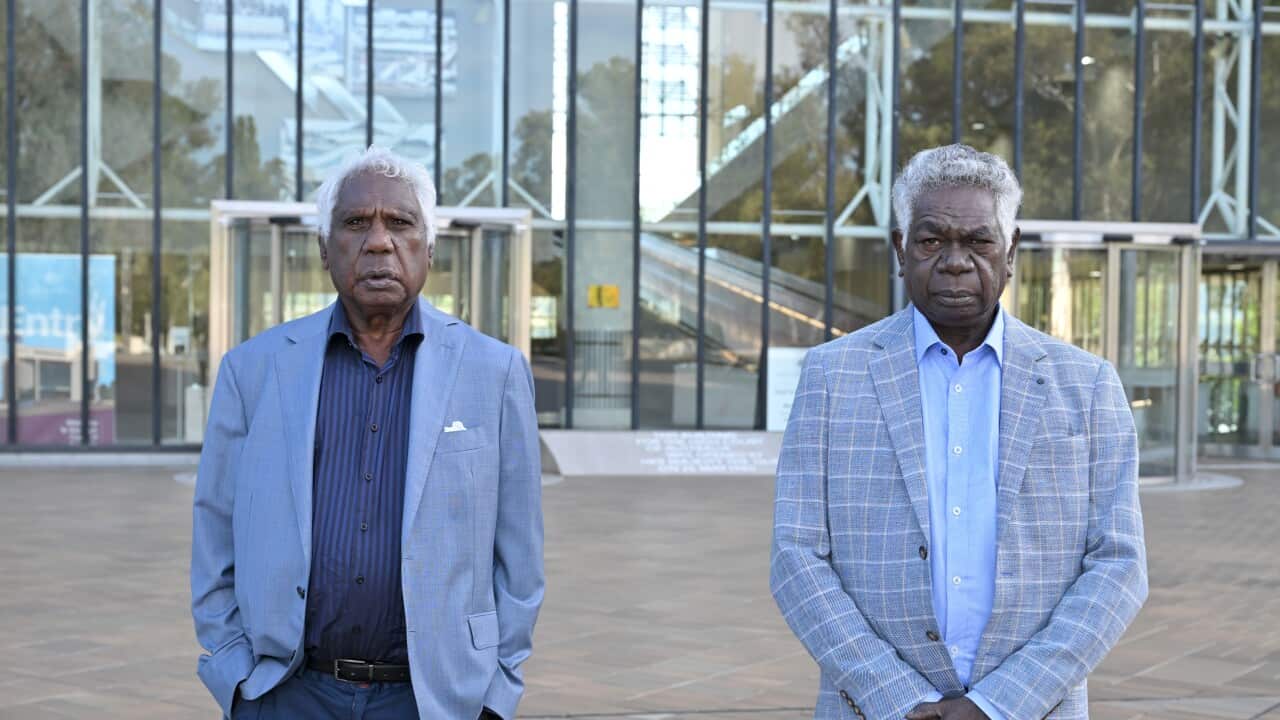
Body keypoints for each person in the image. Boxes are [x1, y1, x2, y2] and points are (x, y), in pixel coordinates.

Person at [770, 144, 1147, 720]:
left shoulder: (1088, 384)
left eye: (978, 241)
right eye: (931, 241)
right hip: (872, 708)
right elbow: (796, 557)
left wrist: (1000, 703)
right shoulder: (831, 375)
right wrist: (897, 697)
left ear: (1010, 251)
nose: (954, 262)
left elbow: (1119, 565)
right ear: (900, 249)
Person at [191, 146, 544, 719]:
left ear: (429, 247)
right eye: (356, 223)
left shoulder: (494, 371)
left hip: (436, 700)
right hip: (287, 694)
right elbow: (215, 531)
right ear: (324, 249)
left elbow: (520, 557)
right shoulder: (253, 370)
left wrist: (496, 695)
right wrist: (235, 677)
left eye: (400, 222)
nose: (379, 241)